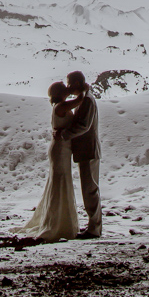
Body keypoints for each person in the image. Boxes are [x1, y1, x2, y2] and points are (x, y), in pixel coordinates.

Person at [13, 81, 82, 241]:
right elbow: (79, 100)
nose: (67, 89)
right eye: (64, 88)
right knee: (60, 182)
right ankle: (57, 223)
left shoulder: (60, 105)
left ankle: (59, 221)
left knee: (60, 182)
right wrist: (82, 89)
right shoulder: (60, 106)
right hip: (60, 149)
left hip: (62, 148)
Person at [56, 69, 101, 238]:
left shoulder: (87, 100)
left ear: (76, 83)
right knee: (90, 190)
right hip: (87, 150)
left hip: (88, 150)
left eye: (69, 84)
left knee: (90, 191)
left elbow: (84, 126)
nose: (68, 88)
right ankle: (93, 226)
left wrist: (64, 134)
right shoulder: (86, 98)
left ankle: (94, 229)